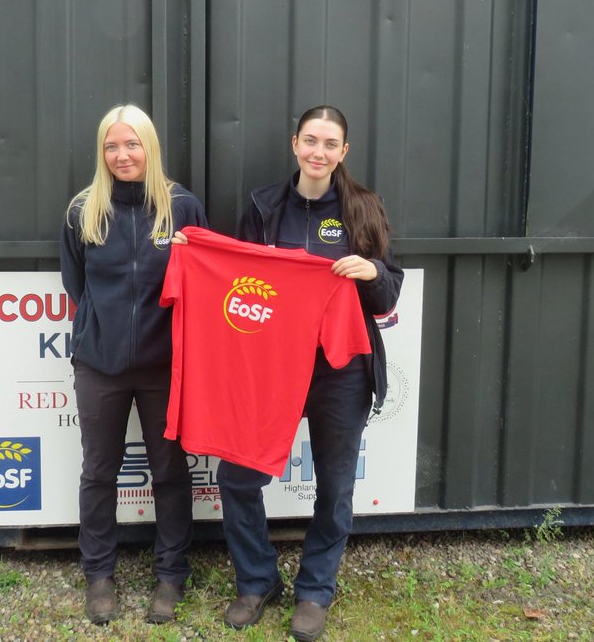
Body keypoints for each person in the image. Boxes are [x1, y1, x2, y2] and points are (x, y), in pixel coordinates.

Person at [217, 105, 403, 642]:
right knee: (236, 476)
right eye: (310, 141)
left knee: (336, 485)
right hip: (271, 368)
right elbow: (235, 279)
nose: (318, 152)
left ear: (344, 152)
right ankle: (256, 580)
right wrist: (195, 255)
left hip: (341, 369)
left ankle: (316, 590)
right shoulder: (263, 206)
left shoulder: (364, 207)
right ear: (293, 143)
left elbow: (389, 290)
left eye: (330, 144)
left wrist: (370, 272)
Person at [60, 103, 208, 626]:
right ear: (102, 152)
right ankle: (98, 575)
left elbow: (202, 283)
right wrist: (104, 333)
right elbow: (77, 285)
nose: (122, 155)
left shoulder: (182, 207)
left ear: (150, 146)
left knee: (169, 471)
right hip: (98, 365)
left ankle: (171, 574)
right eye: (111, 146)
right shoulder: (83, 210)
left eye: (132, 144)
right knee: (99, 472)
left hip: (165, 367)